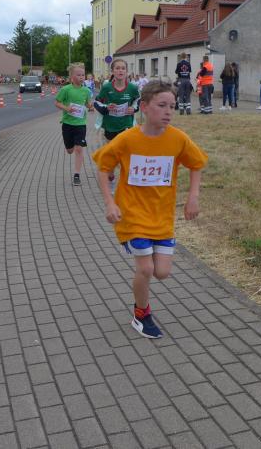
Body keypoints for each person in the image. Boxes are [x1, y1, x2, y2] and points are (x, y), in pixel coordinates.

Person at [92, 81, 207, 339]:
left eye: (172, 107)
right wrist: (109, 202)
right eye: (162, 105)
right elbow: (103, 166)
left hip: (161, 216)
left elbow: (197, 164)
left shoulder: (178, 139)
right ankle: (141, 314)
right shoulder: (127, 139)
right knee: (145, 269)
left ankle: (142, 299)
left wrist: (193, 197)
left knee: (162, 272)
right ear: (144, 107)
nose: (168, 112)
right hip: (131, 215)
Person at [93, 59, 140, 183]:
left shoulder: (132, 88)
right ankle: (111, 170)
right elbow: (97, 103)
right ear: (112, 71)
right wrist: (106, 107)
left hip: (126, 124)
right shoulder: (106, 87)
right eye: (117, 68)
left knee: (126, 152)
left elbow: (138, 101)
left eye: (123, 68)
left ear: (127, 71)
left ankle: (126, 177)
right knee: (112, 151)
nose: (120, 71)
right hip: (110, 125)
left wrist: (133, 109)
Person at [54, 63, 92, 186]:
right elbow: (57, 102)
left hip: (80, 124)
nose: (81, 77)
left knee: (79, 149)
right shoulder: (66, 89)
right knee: (70, 150)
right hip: (67, 124)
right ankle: (69, 147)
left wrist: (91, 106)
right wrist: (66, 108)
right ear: (71, 76)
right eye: (78, 75)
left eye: (83, 75)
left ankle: (77, 175)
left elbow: (88, 104)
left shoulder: (86, 90)